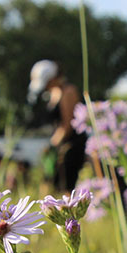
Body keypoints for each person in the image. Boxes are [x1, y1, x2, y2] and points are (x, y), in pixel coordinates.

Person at [28, 60, 86, 191]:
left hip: (72, 145)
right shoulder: (54, 92)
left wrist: (52, 144)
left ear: (53, 78)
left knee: (66, 186)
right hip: (60, 143)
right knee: (53, 184)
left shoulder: (68, 91)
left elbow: (68, 124)